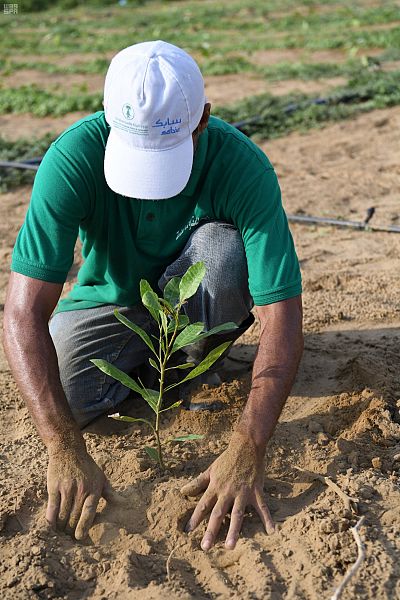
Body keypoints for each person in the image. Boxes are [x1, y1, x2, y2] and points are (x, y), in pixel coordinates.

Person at [3, 40, 303, 551]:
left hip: (198, 298)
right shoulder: (71, 159)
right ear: (106, 116)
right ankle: (154, 368)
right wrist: (62, 444)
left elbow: (282, 316)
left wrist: (248, 448)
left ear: (202, 119)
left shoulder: (242, 167)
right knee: (70, 400)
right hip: (110, 300)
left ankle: (192, 362)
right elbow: (22, 312)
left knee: (223, 252)